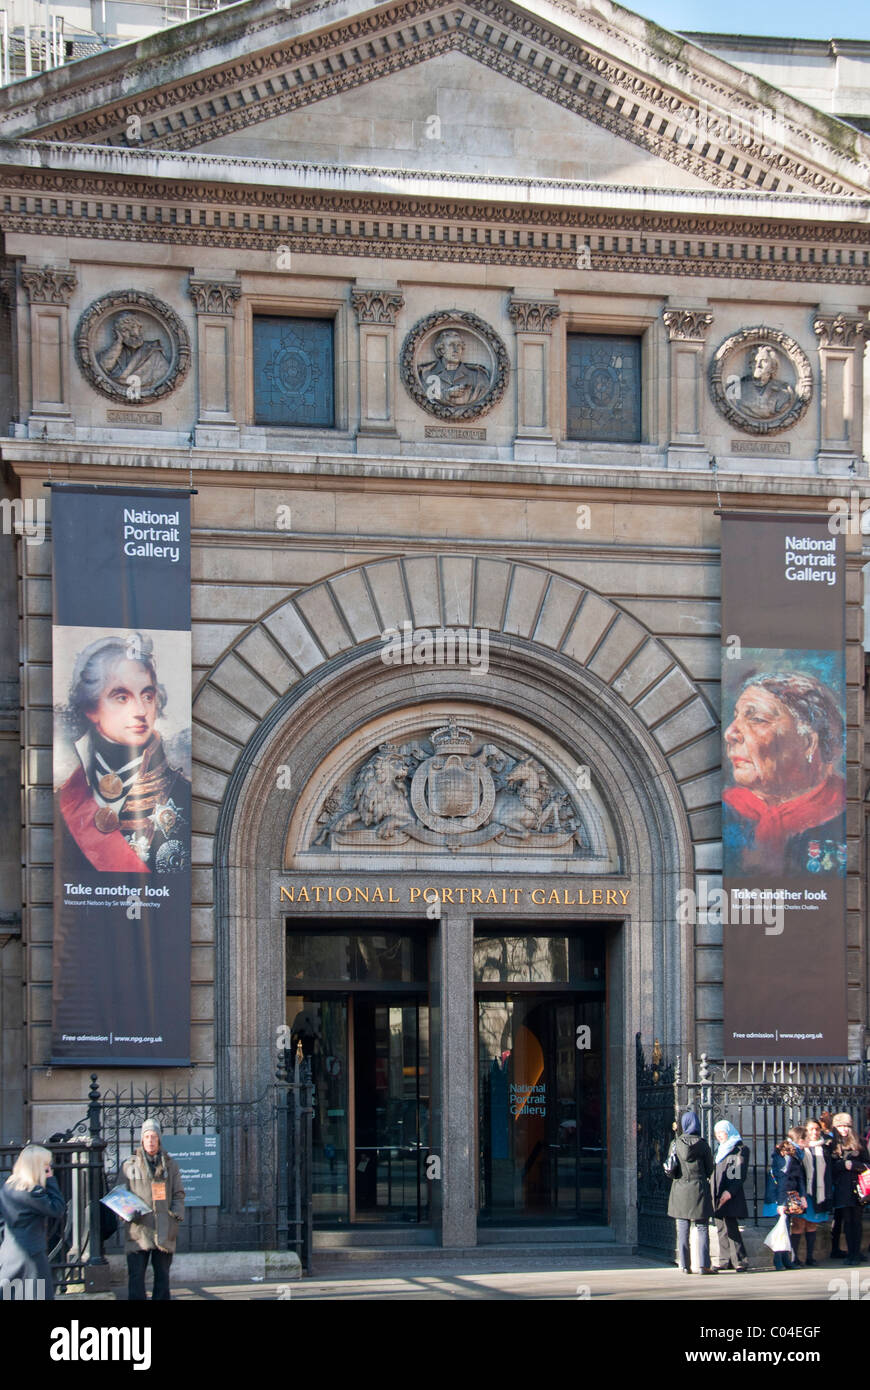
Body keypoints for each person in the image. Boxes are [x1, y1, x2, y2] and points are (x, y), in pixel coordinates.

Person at [57, 633, 190, 874]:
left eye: (147, 696)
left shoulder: (182, 794)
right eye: (122, 697)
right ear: (90, 707)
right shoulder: (65, 801)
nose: (140, 710)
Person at [723, 672, 846, 877]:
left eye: (757, 719)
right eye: (736, 717)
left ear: (807, 742)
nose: (730, 733)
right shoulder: (728, 810)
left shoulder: (841, 812)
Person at [121, 1119, 185, 1301]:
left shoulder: (171, 1165)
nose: (150, 1141)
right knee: (136, 1278)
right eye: (147, 1137)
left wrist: (176, 1214)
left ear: (159, 1140)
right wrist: (128, 1213)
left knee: (163, 1277)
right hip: (138, 1230)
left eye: (154, 1137)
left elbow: (179, 1194)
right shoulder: (129, 1165)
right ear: (142, 1140)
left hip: (164, 1228)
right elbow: (119, 1195)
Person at [0, 1145, 66, 1300]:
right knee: (39, 1296)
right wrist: (50, 1180)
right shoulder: (32, 1192)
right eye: (46, 1165)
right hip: (31, 1255)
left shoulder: (7, 1188)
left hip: (10, 1253)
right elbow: (58, 1209)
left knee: (12, 1296)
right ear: (38, 1166)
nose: (49, 1167)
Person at [667, 1111, 715, 1274]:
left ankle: (685, 1264)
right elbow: (710, 1169)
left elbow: (671, 1168)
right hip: (698, 1188)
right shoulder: (702, 1144)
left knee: (682, 1227)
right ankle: (704, 1265)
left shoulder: (676, 1143)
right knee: (702, 1227)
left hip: (680, 1189)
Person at [829, 1112, 869, 1267]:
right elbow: (829, 1168)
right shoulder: (832, 1143)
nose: (843, 1129)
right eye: (840, 1126)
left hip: (857, 1187)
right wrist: (841, 1166)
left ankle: (856, 1253)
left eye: (846, 1126)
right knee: (847, 1220)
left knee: (857, 1221)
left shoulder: (859, 1142)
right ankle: (850, 1252)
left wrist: (854, 1166)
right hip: (841, 1188)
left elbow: (867, 1164)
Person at [417, 329, 491, 409]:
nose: (456, 350)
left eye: (459, 345)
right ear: (441, 350)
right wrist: (447, 395)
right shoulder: (426, 374)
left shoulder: (478, 377)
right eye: (451, 345)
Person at [711, 1120, 749, 1272]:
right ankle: (724, 1260)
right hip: (717, 1192)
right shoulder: (719, 1149)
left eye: (722, 1132)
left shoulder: (739, 1149)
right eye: (717, 1133)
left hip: (730, 1193)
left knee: (731, 1226)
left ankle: (740, 1260)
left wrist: (729, 1192)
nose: (719, 1136)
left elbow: (739, 1172)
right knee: (720, 1226)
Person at [97, 313, 170, 393]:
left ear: (139, 328)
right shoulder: (114, 353)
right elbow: (103, 367)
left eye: (133, 327)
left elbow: (163, 373)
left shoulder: (154, 354)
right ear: (118, 334)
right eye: (125, 330)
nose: (132, 333)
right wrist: (117, 344)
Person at [799, 1117, 832, 1267]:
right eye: (811, 1129)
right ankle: (795, 1256)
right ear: (805, 1130)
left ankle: (810, 1257)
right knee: (799, 1224)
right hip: (804, 1190)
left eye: (817, 1129)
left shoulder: (825, 1147)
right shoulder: (801, 1147)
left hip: (819, 1191)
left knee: (812, 1224)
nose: (814, 1132)